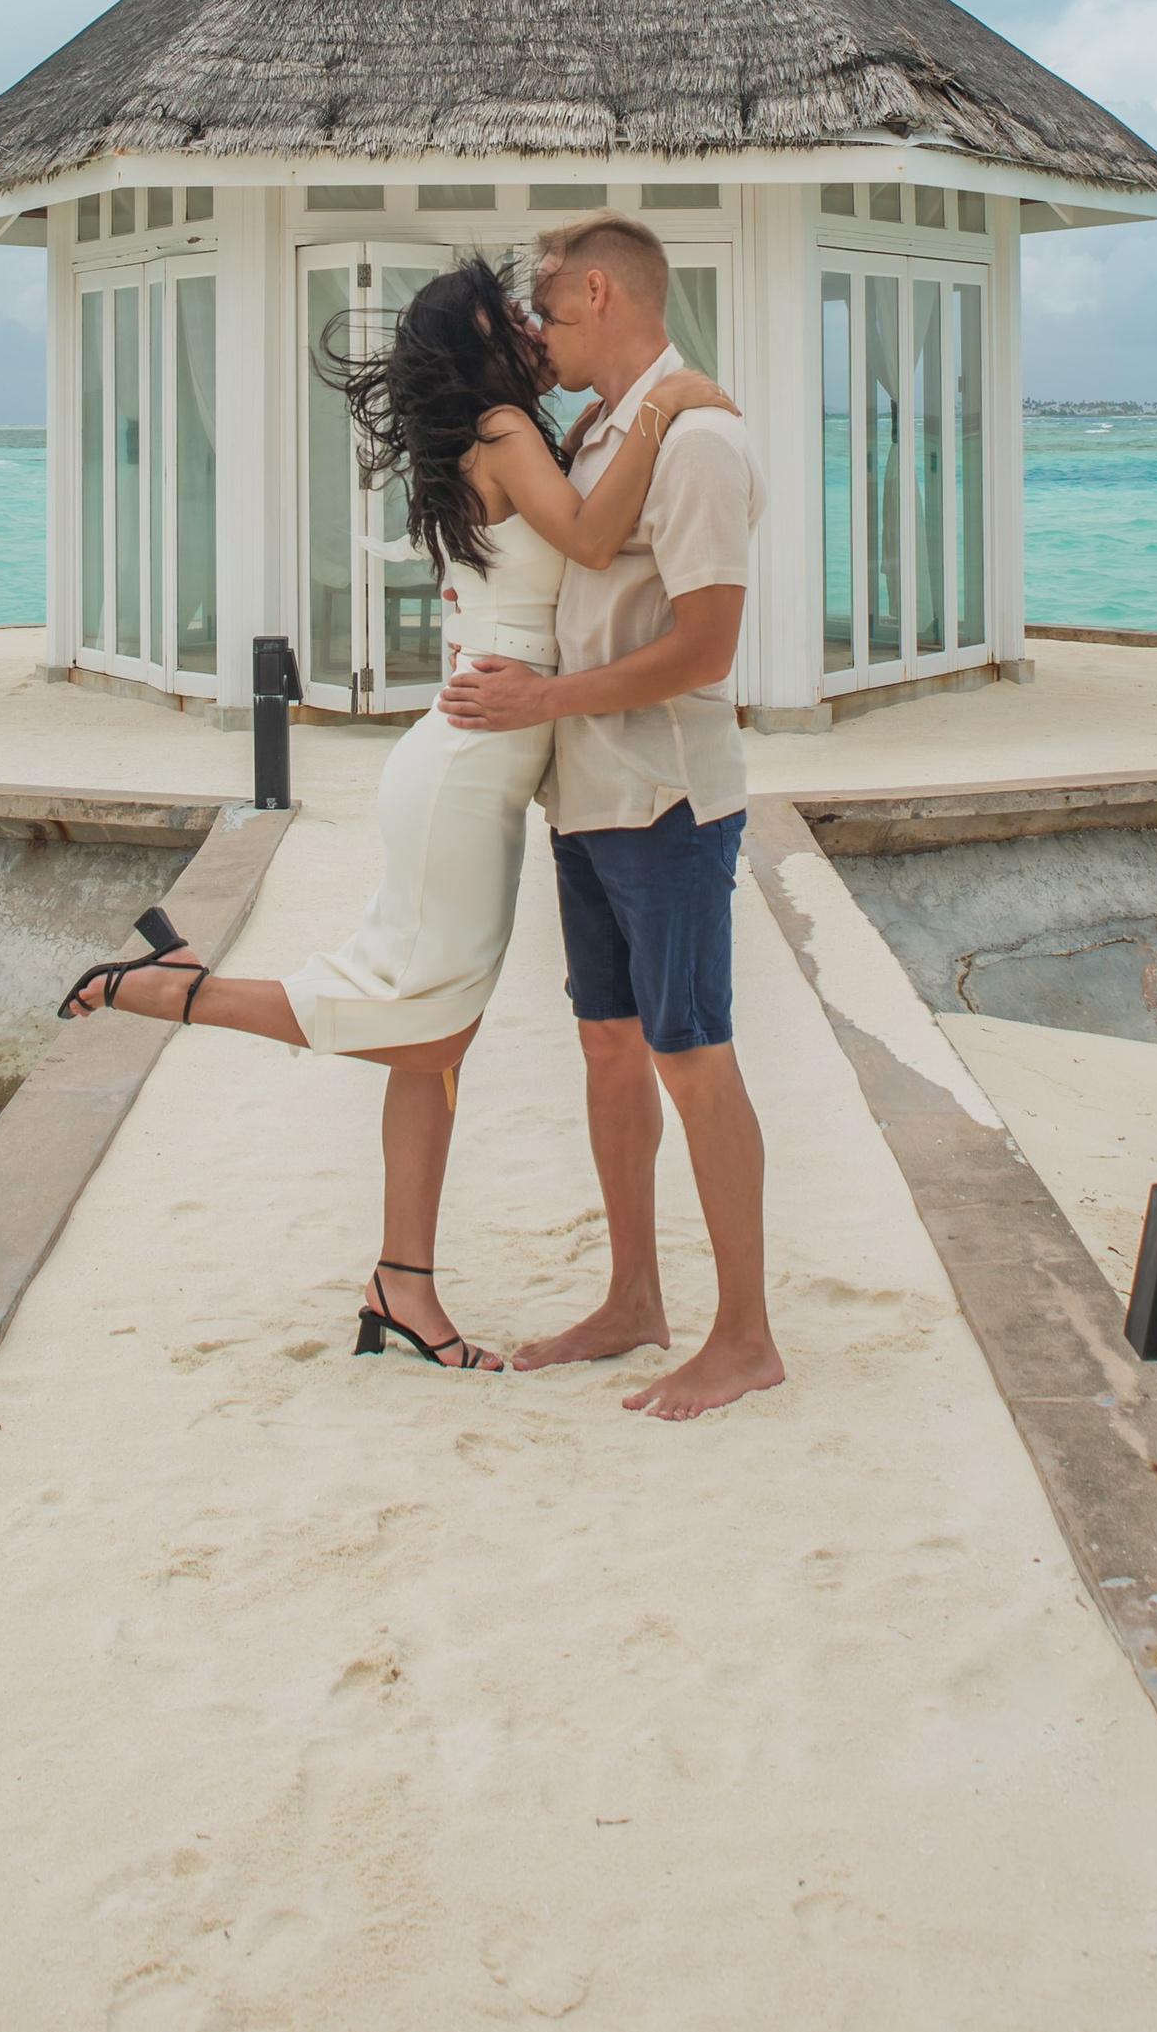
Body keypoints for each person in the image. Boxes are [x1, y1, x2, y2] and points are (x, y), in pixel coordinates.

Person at [57, 254, 734, 1375]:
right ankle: (168, 988)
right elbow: (594, 542)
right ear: (478, 351)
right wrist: (663, 401)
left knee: (426, 1043)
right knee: (427, 1026)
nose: (526, 324)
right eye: (502, 317)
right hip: (471, 767)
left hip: (466, 753)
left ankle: (401, 1285)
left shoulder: (489, 437)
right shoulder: (510, 426)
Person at [440, 211, 782, 1420]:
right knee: (607, 1046)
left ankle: (744, 1335)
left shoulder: (696, 440)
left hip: (666, 794)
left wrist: (542, 695)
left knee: (693, 1055)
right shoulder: (599, 430)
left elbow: (706, 646)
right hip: (585, 796)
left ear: (596, 291)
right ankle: (635, 1294)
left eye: (541, 306)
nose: (534, 329)